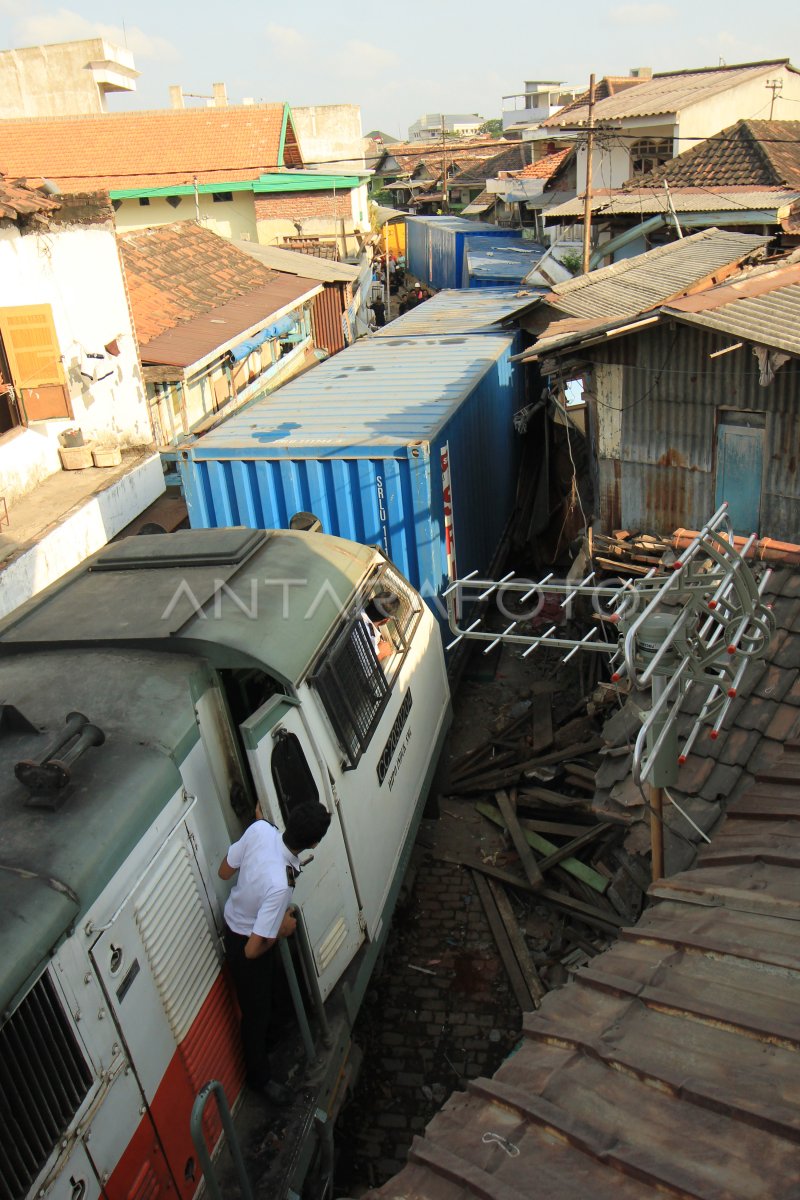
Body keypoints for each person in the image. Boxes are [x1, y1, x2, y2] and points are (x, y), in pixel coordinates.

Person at [219, 800, 332, 1103]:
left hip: (232, 922)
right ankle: (260, 1078)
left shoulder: (260, 830)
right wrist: (282, 930)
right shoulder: (281, 884)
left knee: (269, 997)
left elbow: (224, 871)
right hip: (247, 946)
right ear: (314, 843)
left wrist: (260, 825)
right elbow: (253, 950)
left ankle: (274, 1035)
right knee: (254, 1017)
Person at [361, 592, 401, 663]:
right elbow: (367, 667)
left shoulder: (355, 611)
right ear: (386, 620)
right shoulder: (371, 637)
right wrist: (382, 653)